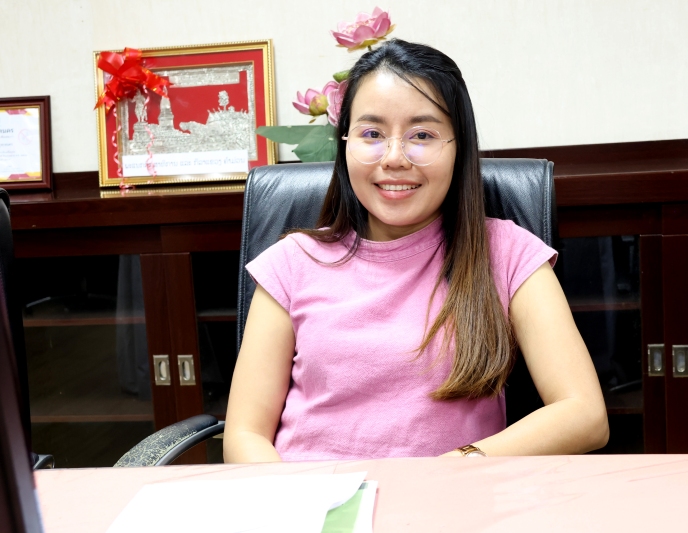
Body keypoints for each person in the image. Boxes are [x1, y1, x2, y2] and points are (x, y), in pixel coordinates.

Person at [224, 39, 609, 462]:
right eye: (372, 134)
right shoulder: (292, 262)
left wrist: (459, 466)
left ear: (459, 146)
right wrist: (293, 498)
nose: (394, 158)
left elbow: (584, 414)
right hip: (312, 498)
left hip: (450, 494)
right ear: (345, 142)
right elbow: (245, 434)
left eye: (422, 135)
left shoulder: (506, 252)